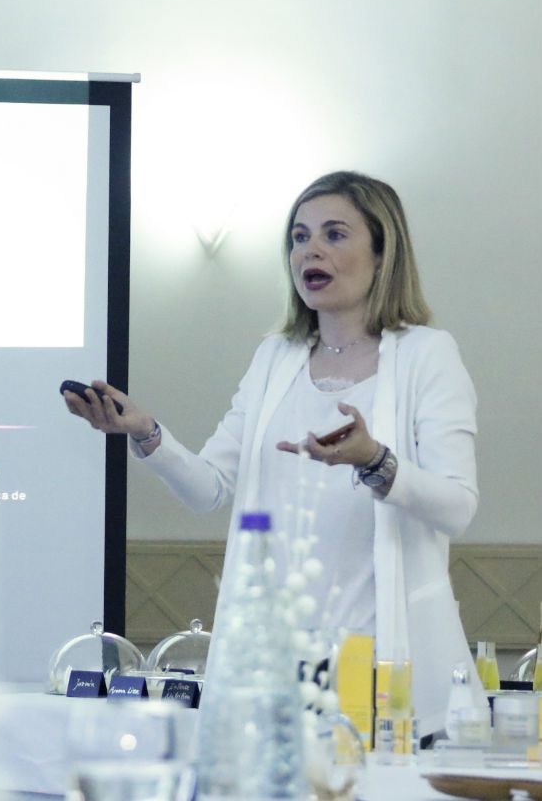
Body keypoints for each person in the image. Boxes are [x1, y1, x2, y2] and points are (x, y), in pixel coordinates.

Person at [63, 170, 483, 735]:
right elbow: (209, 488)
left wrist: (375, 461)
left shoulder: (427, 355)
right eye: (299, 237)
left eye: (335, 234)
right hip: (274, 668)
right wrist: (145, 432)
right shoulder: (275, 357)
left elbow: (457, 506)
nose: (311, 250)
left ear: (383, 253)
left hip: (383, 659)